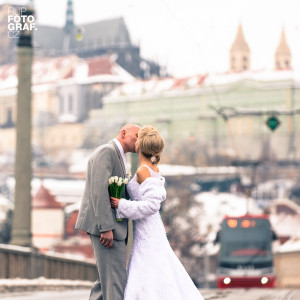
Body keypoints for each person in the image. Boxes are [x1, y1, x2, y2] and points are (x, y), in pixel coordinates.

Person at [110, 125, 204, 300]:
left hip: (147, 230)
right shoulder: (153, 168)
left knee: (147, 270)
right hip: (150, 229)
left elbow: (152, 206)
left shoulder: (143, 171)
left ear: (139, 145)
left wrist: (121, 205)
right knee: (155, 270)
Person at [75, 123, 141, 300]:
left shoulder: (117, 155)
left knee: (105, 284)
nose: (139, 142)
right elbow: (98, 191)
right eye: (137, 136)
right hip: (107, 229)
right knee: (114, 283)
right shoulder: (107, 152)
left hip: (111, 228)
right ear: (123, 133)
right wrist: (106, 227)